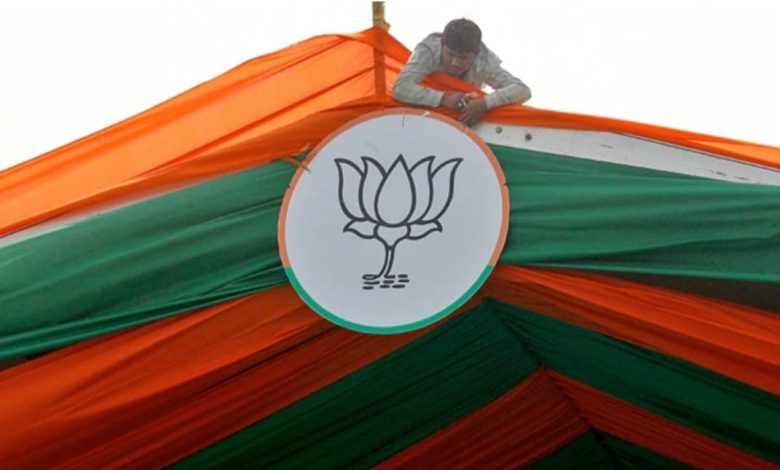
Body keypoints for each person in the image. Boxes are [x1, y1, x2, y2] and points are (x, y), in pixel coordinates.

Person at [392, 18, 531, 125]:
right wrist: (443, 98)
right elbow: (401, 88)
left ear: (475, 55)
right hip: (421, 117)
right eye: (450, 54)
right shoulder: (429, 50)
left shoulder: (484, 60)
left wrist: (485, 103)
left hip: (465, 121)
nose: (455, 62)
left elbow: (522, 91)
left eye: (463, 57)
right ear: (442, 45)